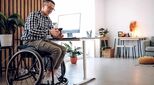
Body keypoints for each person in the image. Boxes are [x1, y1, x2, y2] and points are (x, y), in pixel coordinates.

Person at [21, 0, 66, 77]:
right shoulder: (33, 15)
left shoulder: (48, 19)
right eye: (49, 7)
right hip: (30, 41)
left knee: (64, 49)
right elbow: (32, 31)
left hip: (42, 41)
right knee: (57, 50)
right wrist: (49, 32)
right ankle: (47, 75)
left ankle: (52, 72)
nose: (51, 10)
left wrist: (57, 35)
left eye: (52, 9)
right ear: (43, 6)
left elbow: (51, 32)